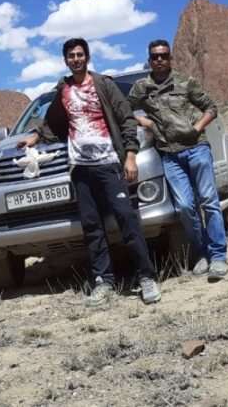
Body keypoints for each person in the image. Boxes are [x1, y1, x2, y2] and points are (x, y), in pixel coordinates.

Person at [19, 38, 161, 305]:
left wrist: (130, 156)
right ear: (65, 60)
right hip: (80, 168)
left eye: (80, 54)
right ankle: (103, 280)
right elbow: (52, 123)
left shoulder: (103, 84)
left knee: (126, 218)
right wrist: (35, 137)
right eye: (71, 55)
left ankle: (146, 277)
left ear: (87, 57)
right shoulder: (64, 89)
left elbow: (125, 118)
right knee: (92, 226)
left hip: (108, 163)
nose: (76, 59)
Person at [128, 39, 228, 280]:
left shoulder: (186, 82)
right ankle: (201, 252)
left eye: (164, 55)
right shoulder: (142, 87)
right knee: (184, 206)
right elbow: (123, 109)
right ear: (149, 60)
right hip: (170, 156)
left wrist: (196, 128)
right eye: (155, 56)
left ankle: (218, 256)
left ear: (170, 58)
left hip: (196, 148)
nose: (159, 59)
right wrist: (142, 120)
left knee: (209, 200)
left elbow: (210, 107)